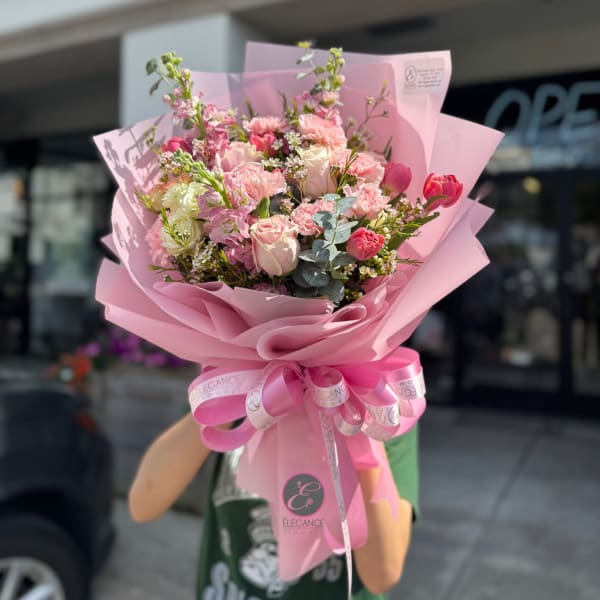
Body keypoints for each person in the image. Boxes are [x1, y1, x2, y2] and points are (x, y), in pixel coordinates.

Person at [129, 413, 419, 599]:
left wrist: (354, 418)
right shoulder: (236, 398)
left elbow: (383, 573)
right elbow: (144, 503)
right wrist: (227, 395)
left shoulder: (383, 404)